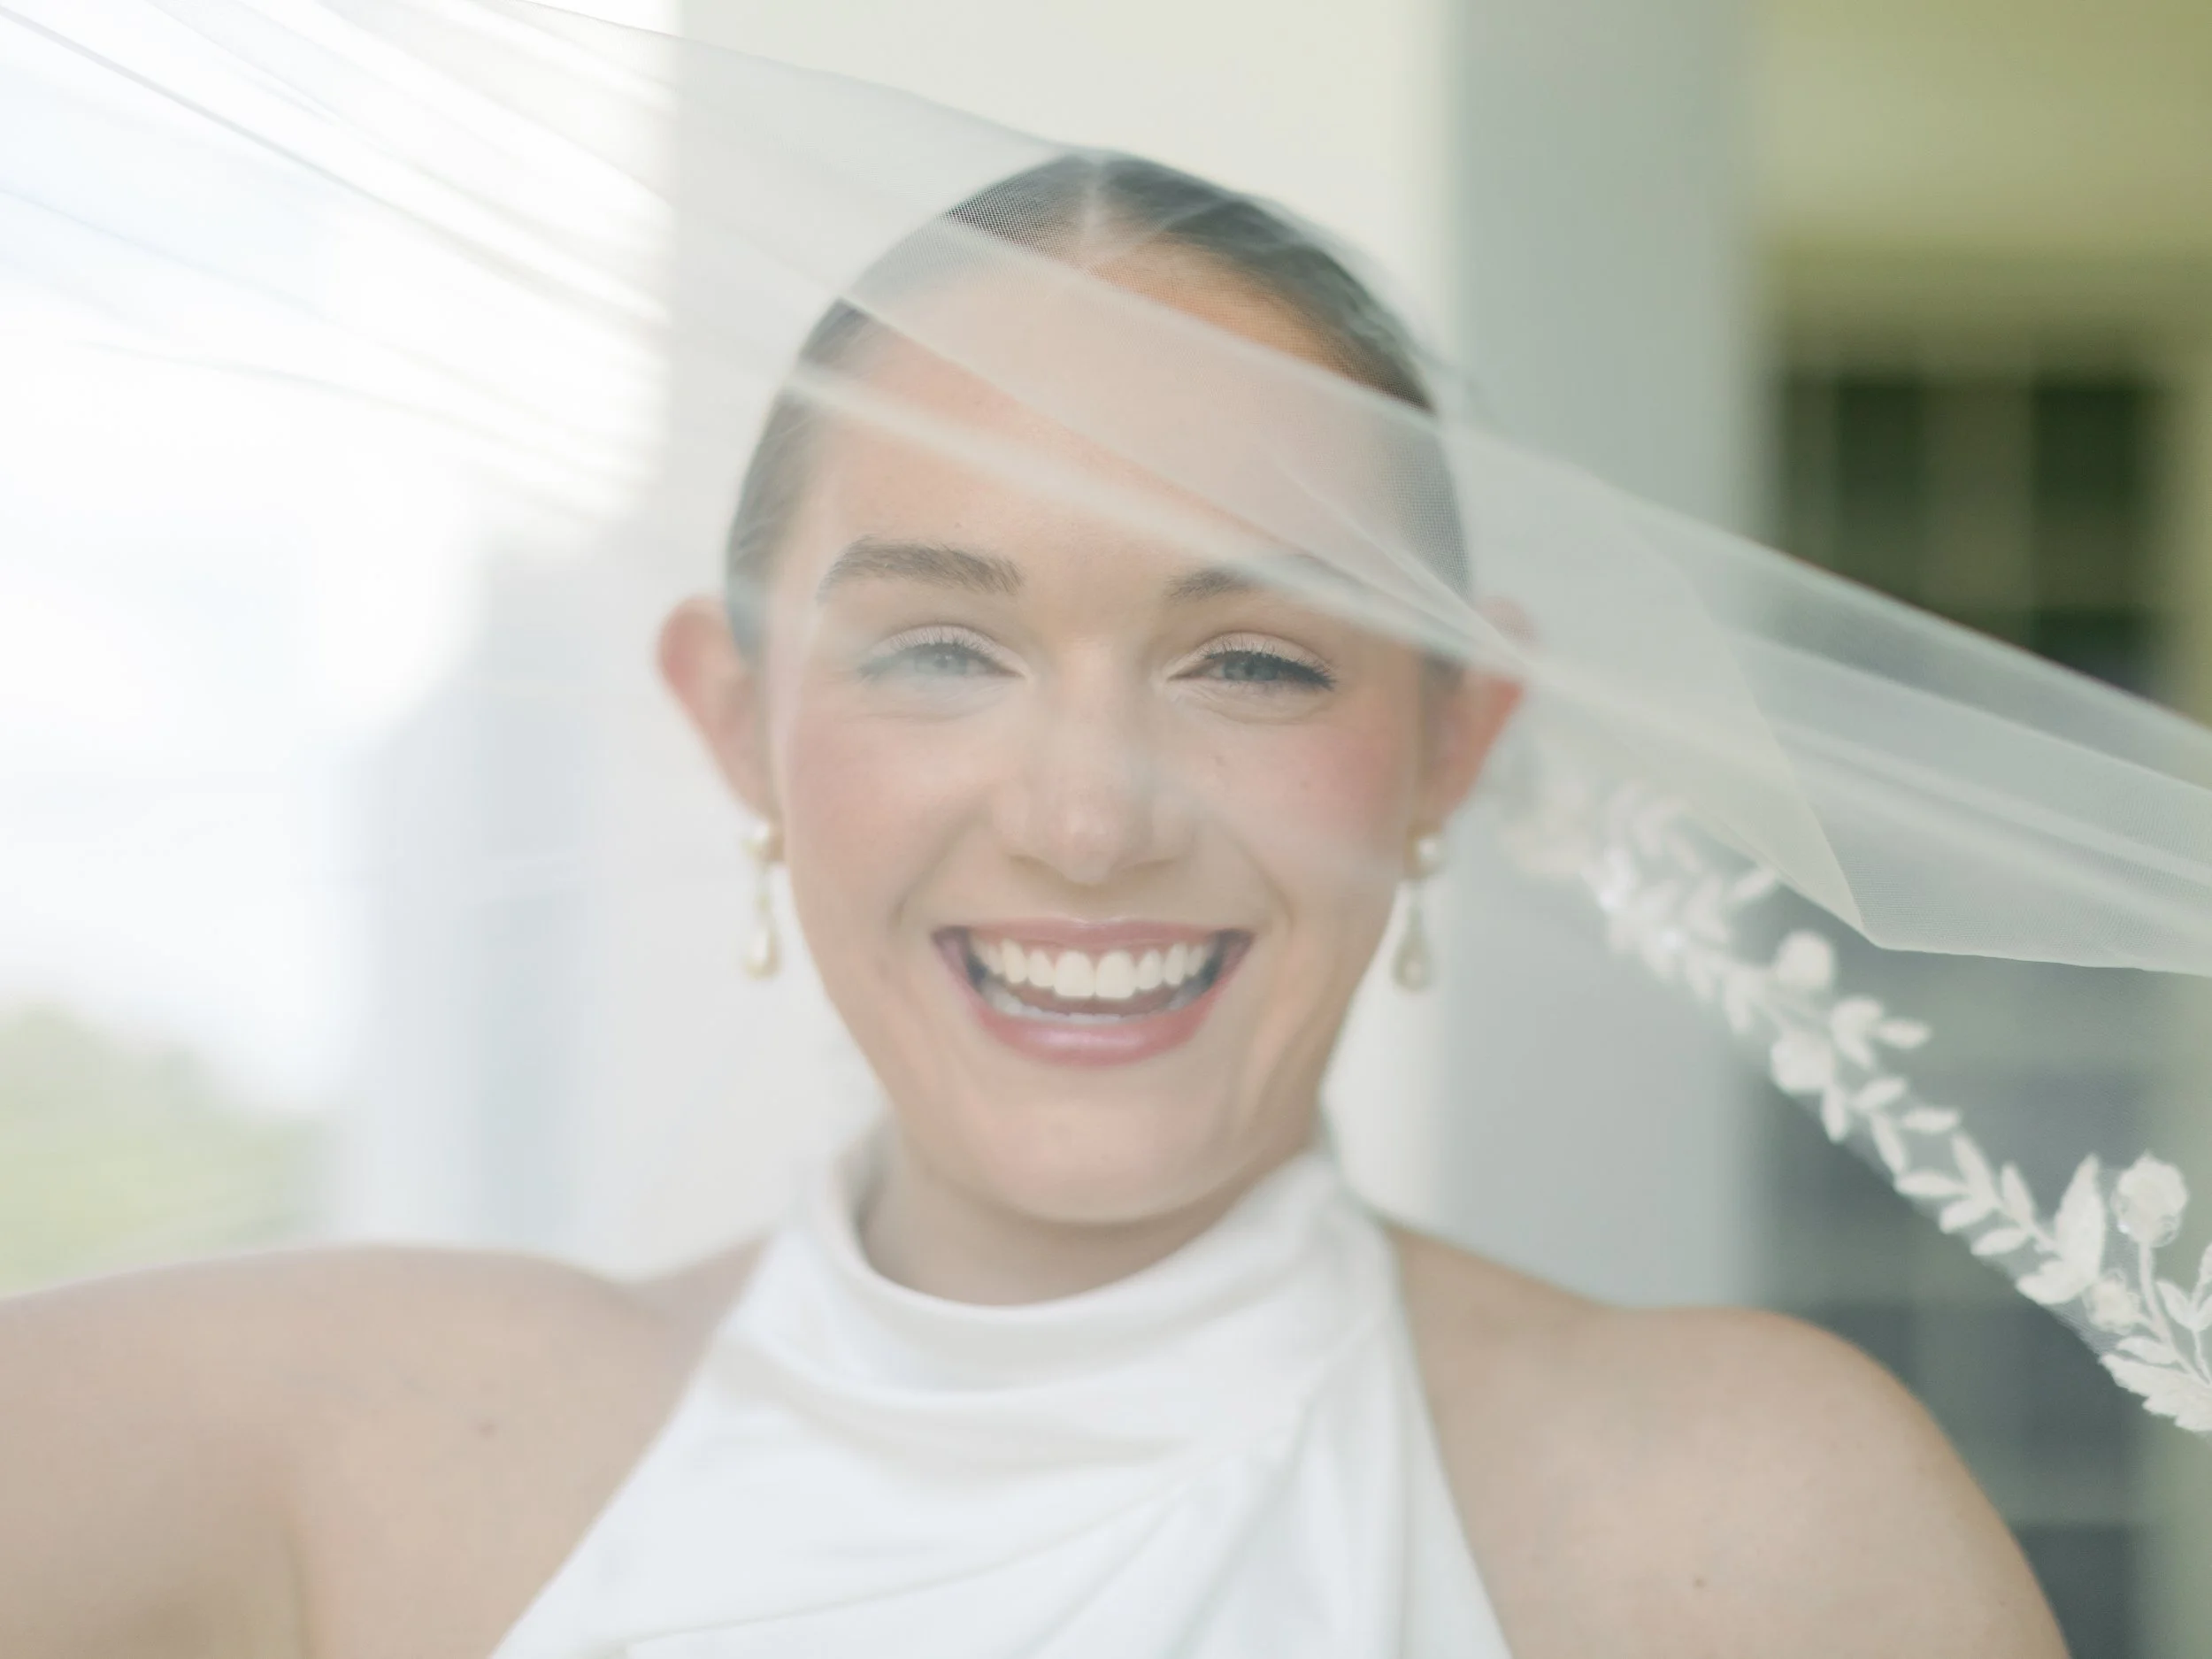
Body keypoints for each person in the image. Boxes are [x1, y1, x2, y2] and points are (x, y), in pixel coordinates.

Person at [0, 150, 2067, 1659]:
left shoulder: (1747, 1518)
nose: (1087, 824)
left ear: (1450, 739)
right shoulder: (338, 1436)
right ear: (734, 722)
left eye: (1250, 660)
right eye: (938, 650)